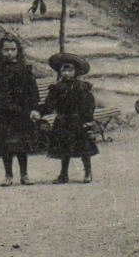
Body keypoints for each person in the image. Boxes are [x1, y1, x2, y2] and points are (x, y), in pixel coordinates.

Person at [33, 52, 98, 184]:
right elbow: (49, 105)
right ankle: (63, 174)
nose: (67, 73)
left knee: (83, 147)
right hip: (63, 121)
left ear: (76, 72)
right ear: (60, 71)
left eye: (70, 70)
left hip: (78, 121)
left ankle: (88, 171)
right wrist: (39, 112)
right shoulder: (57, 88)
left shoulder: (81, 87)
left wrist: (88, 120)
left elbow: (89, 105)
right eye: (64, 69)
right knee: (64, 148)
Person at [0, 33, 40, 186]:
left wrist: (34, 108)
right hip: (2, 113)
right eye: (6, 50)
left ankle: (24, 174)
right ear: (0, 51)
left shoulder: (24, 69)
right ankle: (8, 175)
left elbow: (32, 90)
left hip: (21, 112)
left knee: (22, 145)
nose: (9, 53)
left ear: (18, 50)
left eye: (13, 49)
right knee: (6, 145)